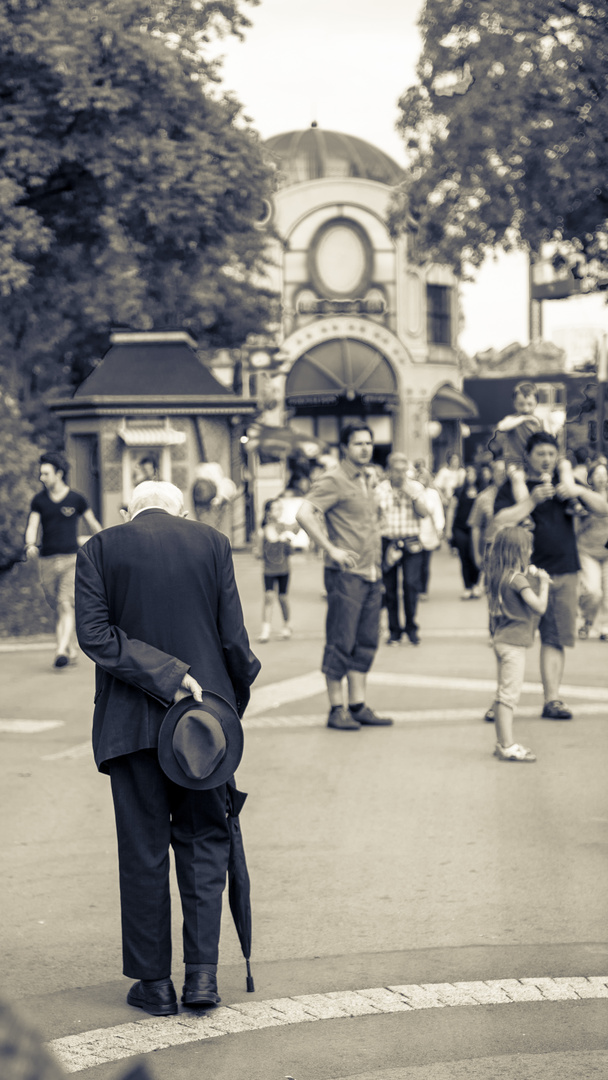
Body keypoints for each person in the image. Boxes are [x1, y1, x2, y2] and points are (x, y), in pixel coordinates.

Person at [74, 481, 260, 1016]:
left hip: (129, 727)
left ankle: (154, 984)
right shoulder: (212, 541)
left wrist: (163, 675)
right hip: (204, 726)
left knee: (143, 850)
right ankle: (202, 979)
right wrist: (226, 707)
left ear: (129, 510)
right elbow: (234, 643)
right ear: (182, 510)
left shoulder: (100, 547)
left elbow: (95, 636)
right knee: (204, 841)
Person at [492, 430, 608, 719]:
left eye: (551, 454)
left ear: (558, 457)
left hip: (563, 569)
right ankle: (502, 701)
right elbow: (500, 520)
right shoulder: (513, 486)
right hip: (522, 574)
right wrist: (531, 500)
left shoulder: (566, 483)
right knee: (513, 640)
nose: (546, 459)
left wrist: (579, 491)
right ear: (528, 457)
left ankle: (552, 699)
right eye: (540, 454)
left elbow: (603, 508)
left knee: (555, 638)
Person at [296, 421, 393, 731]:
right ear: (344, 448)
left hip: (372, 571)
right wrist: (330, 549)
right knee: (341, 640)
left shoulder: (369, 477)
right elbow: (304, 513)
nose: (365, 448)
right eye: (358, 444)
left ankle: (358, 704)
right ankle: (336, 708)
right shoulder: (334, 479)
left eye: (368, 443)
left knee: (366, 641)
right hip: (345, 573)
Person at [24, 452, 102, 668]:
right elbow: (33, 525)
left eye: (46, 473)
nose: (42, 477)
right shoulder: (39, 501)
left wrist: (104, 541)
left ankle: (61, 651)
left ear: (59, 474)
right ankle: (70, 643)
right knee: (56, 604)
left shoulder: (76, 499)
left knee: (65, 603)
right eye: (41, 473)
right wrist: (30, 544)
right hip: (47, 560)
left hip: (71, 559)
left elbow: (93, 524)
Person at [486, 527, 551, 762]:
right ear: (520, 551)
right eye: (528, 547)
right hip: (513, 644)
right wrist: (543, 583)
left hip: (502, 639)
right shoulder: (518, 580)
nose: (532, 551)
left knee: (502, 693)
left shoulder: (500, 575)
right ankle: (507, 744)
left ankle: (501, 742)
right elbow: (539, 607)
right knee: (508, 697)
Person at [491, 381, 582, 513]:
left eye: (530, 404)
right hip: (518, 462)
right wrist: (523, 419)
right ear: (514, 404)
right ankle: (525, 510)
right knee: (517, 478)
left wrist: (555, 426)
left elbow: (549, 438)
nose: (526, 408)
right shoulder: (512, 420)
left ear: (536, 404)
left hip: (538, 461)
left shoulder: (540, 421)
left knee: (565, 466)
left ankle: (572, 500)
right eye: (521, 404)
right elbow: (502, 426)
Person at [375, 453, 429, 645]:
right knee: (390, 588)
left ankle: (411, 627)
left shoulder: (415, 487)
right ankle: (394, 630)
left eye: (403, 470)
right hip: (388, 541)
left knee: (410, 585)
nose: (400, 475)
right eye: (396, 470)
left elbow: (424, 513)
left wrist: (412, 495)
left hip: (411, 541)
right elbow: (373, 517)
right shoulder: (380, 490)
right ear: (389, 470)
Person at [255, 497, 298, 642]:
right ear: (268, 512)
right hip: (268, 569)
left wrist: (287, 541)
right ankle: (266, 629)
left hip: (284, 569)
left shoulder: (285, 527)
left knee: (283, 597)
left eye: (281, 508)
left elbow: (290, 551)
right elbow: (259, 553)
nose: (279, 511)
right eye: (276, 508)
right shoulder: (263, 530)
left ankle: (287, 624)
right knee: (268, 597)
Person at [576, 460, 608, 640]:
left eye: (605, 474)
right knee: (593, 591)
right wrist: (588, 512)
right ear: (591, 478)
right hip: (587, 551)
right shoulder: (584, 497)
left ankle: (605, 627)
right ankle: (587, 621)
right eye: (598, 474)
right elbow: (576, 528)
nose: (602, 478)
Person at [468, 457, 507, 577]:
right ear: (492, 474)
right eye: (498, 471)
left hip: (515, 551)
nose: (501, 475)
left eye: (504, 472)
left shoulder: (520, 495)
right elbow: (475, 527)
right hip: (492, 551)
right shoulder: (483, 497)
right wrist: (476, 555)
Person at [450, 464, 482, 599]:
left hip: (476, 529)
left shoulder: (482, 490)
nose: (470, 476)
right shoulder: (458, 491)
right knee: (464, 557)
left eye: (473, 473)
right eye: (468, 473)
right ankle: (467, 586)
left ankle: (475, 583)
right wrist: (448, 530)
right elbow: (451, 510)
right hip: (460, 528)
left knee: (475, 555)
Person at [414, 464, 445, 601]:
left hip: (429, 531)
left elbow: (438, 511)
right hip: (415, 531)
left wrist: (440, 528)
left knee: (425, 563)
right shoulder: (413, 492)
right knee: (416, 562)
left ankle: (423, 589)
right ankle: (414, 587)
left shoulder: (433, 494)